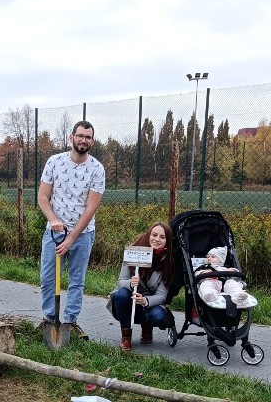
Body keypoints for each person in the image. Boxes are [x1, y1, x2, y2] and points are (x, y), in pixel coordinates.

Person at [38, 120, 106, 337]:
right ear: (72, 137)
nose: (83, 140)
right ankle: (49, 319)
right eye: (80, 136)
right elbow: (42, 197)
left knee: (77, 281)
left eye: (87, 137)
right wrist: (53, 221)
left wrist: (71, 239)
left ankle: (70, 323)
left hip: (83, 234)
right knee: (48, 277)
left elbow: (91, 208)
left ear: (92, 141)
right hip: (54, 233)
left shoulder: (97, 169)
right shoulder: (54, 162)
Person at [107, 223, 174, 350]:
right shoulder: (134, 251)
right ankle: (126, 336)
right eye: (154, 235)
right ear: (149, 235)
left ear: (167, 241)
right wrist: (132, 284)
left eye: (162, 237)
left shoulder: (168, 262)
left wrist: (145, 301)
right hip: (128, 299)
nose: (157, 239)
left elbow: (162, 295)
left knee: (158, 316)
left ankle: (147, 326)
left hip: (147, 303)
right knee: (121, 294)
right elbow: (121, 281)